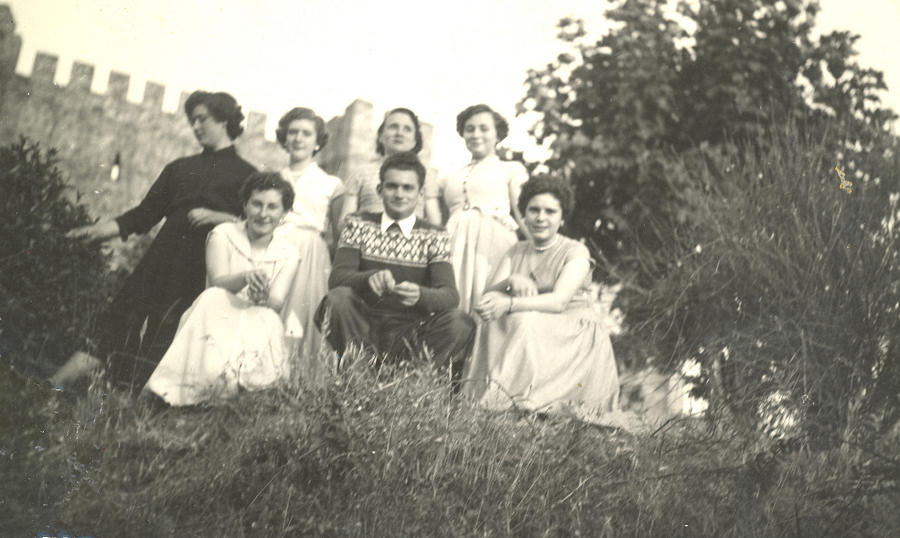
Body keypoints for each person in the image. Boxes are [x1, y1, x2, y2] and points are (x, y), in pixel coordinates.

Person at [50, 90, 257, 391]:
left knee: (171, 334)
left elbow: (259, 227)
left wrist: (219, 217)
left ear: (223, 119)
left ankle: (137, 402)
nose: (196, 126)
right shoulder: (179, 168)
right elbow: (143, 215)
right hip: (161, 258)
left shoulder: (247, 175)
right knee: (119, 316)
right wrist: (94, 232)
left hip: (203, 269)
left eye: (202, 119)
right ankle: (54, 384)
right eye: (192, 120)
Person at [463, 176, 619, 419]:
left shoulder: (575, 251)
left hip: (573, 328)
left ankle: (514, 401)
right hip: (537, 323)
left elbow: (559, 301)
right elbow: (487, 298)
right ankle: (492, 398)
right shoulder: (516, 251)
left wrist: (510, 303)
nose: (540, 218)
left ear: (562, 217)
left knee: (524, 320)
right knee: (493, 321)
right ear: (524, 214)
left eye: (550, 211)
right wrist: (510, 281)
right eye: (534, 210)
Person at [143, 173, 299, 406]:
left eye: (272, 207)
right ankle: (185, 395)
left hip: (257, 314)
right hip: (220, 309)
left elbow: (276, 302)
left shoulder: (289, 253)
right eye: (256, 204)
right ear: (245, 205)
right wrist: (245, 277)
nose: (263, 213)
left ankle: (250, 396)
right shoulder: (223, 234)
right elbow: (218, 281)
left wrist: (262, 298)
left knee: (269, 319)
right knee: (212, 298)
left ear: (284, 213)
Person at [315, 151, 476, 377]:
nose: (399, 194)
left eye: (408, 188)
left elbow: (450, 295)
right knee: (338, 299)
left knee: (460, 322)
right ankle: (358, 376)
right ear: (380, 190)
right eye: (392, 186)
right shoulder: (358, 224)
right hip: (363, 324)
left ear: (420, 193)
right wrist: (368, 278)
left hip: (411, 330)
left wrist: (421, 294)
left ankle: (407, 380)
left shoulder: (435, 235)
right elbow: (337, 279)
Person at [424, 104, 529, 313]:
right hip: (455, 243)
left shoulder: (510, 169)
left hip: (494, 243)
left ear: (497, 134)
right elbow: (430, 203)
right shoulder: (449, 176)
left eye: (484, 128)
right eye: (470, 129)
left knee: (489, 298)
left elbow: (523, 213)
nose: (476, 134)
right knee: (454, 301)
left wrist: (540, 250)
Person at [274, 107, 345, 383]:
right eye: (292, 132)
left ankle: (296, 380)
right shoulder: (273, 178)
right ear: (284, 138)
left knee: (300, 313)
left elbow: (338, 233)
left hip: (310, 253)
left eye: (306, 133)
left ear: (317, 141)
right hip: (274, 247)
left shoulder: (330, 183)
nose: (298, 138)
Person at [339, 107, 432, 222]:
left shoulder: (426, 176)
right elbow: (345, 221)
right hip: (366, 232)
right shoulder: (360, 174)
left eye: (407, 129)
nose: (399, 133)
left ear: (415, 141)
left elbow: (434, 222)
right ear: (381, 136)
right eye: (393, 127)